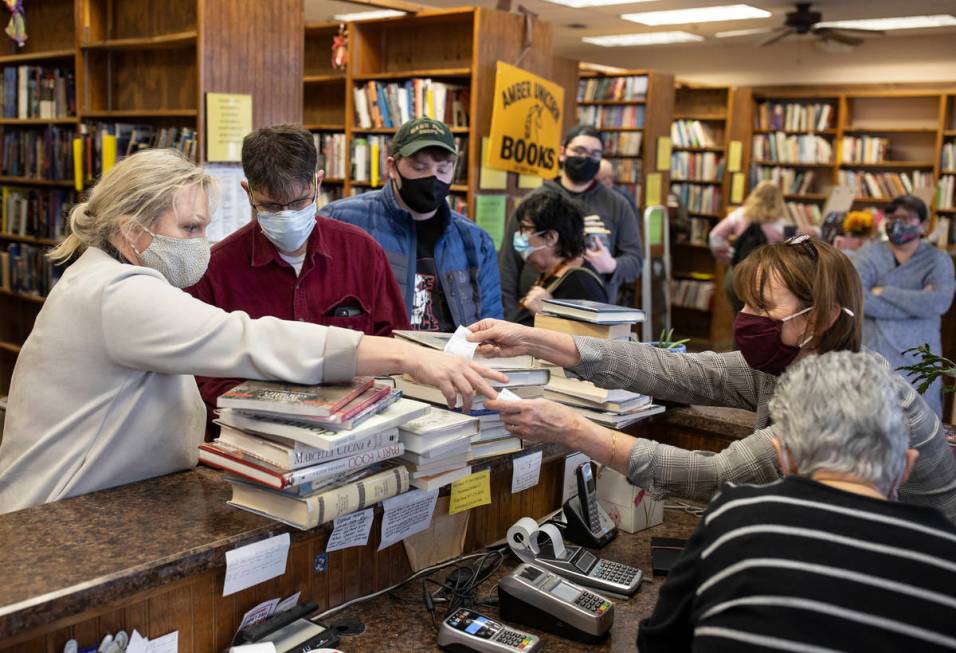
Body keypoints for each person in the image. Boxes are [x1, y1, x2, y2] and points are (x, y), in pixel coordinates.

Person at [0, 149, 506, 513]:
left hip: (102, 500)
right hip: (56, 511)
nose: (204, 242)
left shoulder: (108, 278)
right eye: (191, 229)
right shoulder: (119, 295)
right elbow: (248, 339)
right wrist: (410, 358)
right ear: (134, 230)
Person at [472, 237, 956, 522]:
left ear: (819, 318)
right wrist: (535, 340)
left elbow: (715, 476)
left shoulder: (843, 403)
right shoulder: (792, 363)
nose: (745, 318)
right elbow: (676, 370)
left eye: (763, 307)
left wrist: (571, 429)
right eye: (744, 303)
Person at [637, 351, 956, 652]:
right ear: (906, 466)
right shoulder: (947, 558)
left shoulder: (735, 518)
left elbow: (660, 642)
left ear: (783, 457)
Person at [186, 125, 410, 420]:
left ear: (317, 184)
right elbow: (200, 375)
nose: (286, 216)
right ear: (248, 191)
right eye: (270, 206)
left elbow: (396, 347)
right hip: (253, 434)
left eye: (299, 202)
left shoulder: (363, 253)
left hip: (351, 429)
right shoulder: (214, 269)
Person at [320, 117, 502, 331]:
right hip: (379, 359)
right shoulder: (340, 221)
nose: (432, 178)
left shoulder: (476, 240)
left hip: (452, 361)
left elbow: (493, 327)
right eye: (419, 167)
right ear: (392, 167)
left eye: (442, 170)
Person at [500, 125, 643, 313]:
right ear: (562, 153)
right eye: (579, 151)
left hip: (593, 313)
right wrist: (509, 316)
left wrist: (612, 265)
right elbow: (508, 264)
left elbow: (635, 261)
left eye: (594, 154)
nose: (586, 158)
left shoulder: (617, 204)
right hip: (532, 309)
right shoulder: (535, 202)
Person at [850, 195, 955, 417]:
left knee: (922, 425)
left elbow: (939, 302)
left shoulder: (937, 260)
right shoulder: (868, 254)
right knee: (869, 424)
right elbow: (858, 298)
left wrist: (885, 291)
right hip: (874, 351)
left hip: (920, 355)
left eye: (907, 218)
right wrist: (917, 301)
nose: (897, 223)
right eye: (892, 217)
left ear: (924, 225)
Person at [508, 191, 607, 326]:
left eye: (526, 229)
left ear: (551, 237)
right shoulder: (552, 274)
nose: (519, 236)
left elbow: (590, 343)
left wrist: (548, 317)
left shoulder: (582, 285)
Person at [708, 180, 795, 313]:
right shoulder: (782, 222)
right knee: (760, 321)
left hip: (737, 273)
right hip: (766, 279)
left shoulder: (740, 214)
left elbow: (715, 237)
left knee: (739, 318)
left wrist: (727, 255)